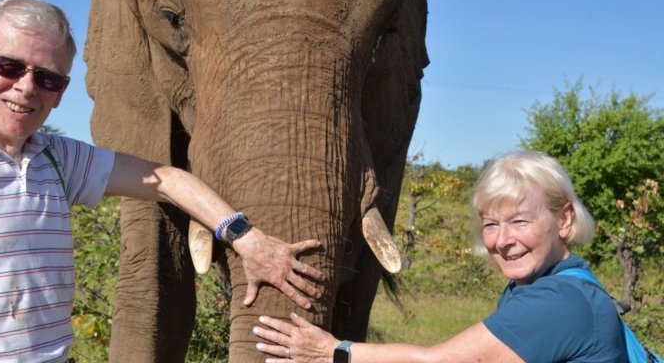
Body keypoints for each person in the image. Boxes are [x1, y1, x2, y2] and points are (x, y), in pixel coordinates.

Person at [0, 0, 324, 362]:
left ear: (61, 92)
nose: (26, 88)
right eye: (9, 66)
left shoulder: (57, 157)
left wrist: (246, 237)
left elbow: (168, 179)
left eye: (47, 78)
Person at [253, 150, 628, 363]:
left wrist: (331, 352)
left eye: (519, 220)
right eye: (490, 224)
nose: (502, 240)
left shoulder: (559, 302)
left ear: (564, 220)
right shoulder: (555, 284)